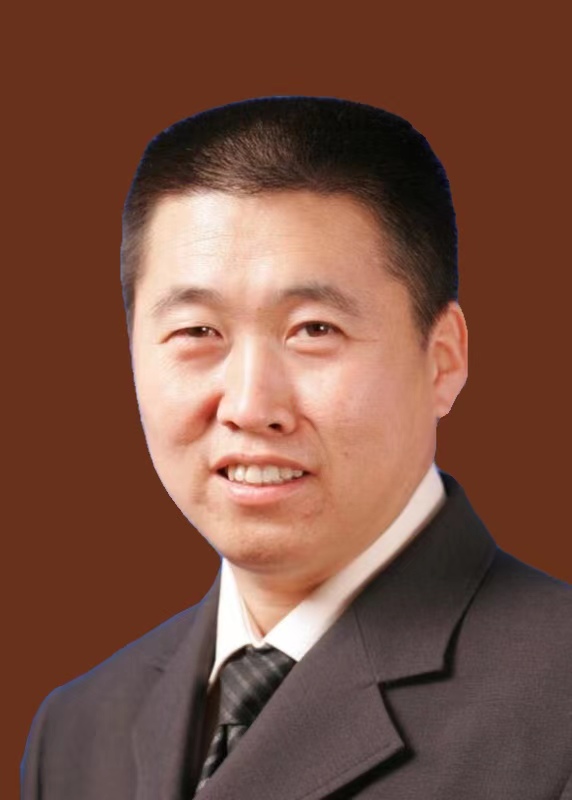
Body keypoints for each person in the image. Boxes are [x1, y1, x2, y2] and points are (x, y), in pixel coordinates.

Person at [21, 97, 571, 799]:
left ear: (443, 359)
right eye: (197, 332)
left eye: (314, 330)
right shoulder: (76, 730)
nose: (251, 407)